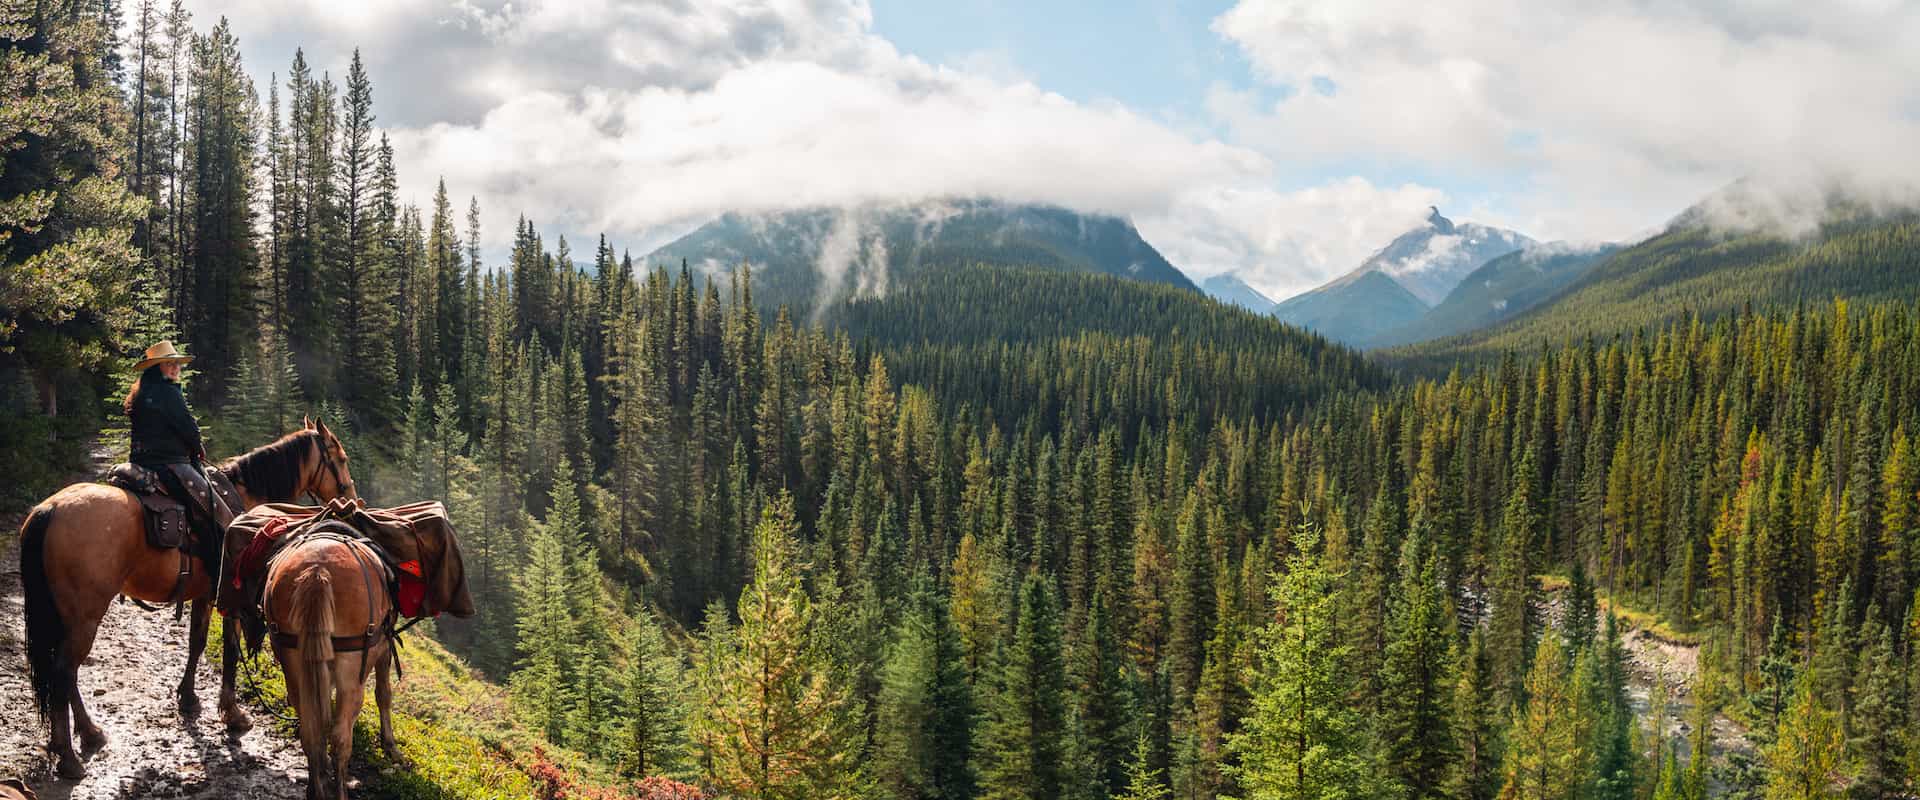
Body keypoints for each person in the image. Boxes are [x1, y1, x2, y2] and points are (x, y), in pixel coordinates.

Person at [125, 341, 224, 571]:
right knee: (210, 507)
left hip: (140, 461)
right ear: (155, 368)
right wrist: (197, 447)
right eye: (168, 364)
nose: (175, 368)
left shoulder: (139, 393)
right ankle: (216, 566)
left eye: (176, 363)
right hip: (169, 464)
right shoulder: (168, 392)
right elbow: (188, 427)